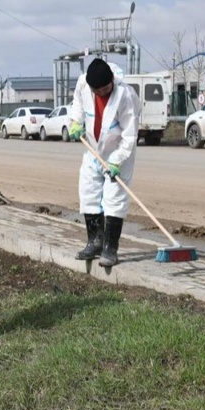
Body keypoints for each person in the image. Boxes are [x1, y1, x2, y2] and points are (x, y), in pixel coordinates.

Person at [67, 58, 140, 267]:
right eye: (98, 91)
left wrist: (117, 161)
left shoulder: (125, 96)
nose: (102, 93)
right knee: (88, 191)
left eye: (106, 89)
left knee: (114, 198)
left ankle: (110, 248)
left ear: (111, 83)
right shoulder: (83, 84)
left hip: (118, 151)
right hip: (93, 148)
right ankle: (94, 242)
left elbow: (129, 135)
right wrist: (74, 123)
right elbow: (78, 105)